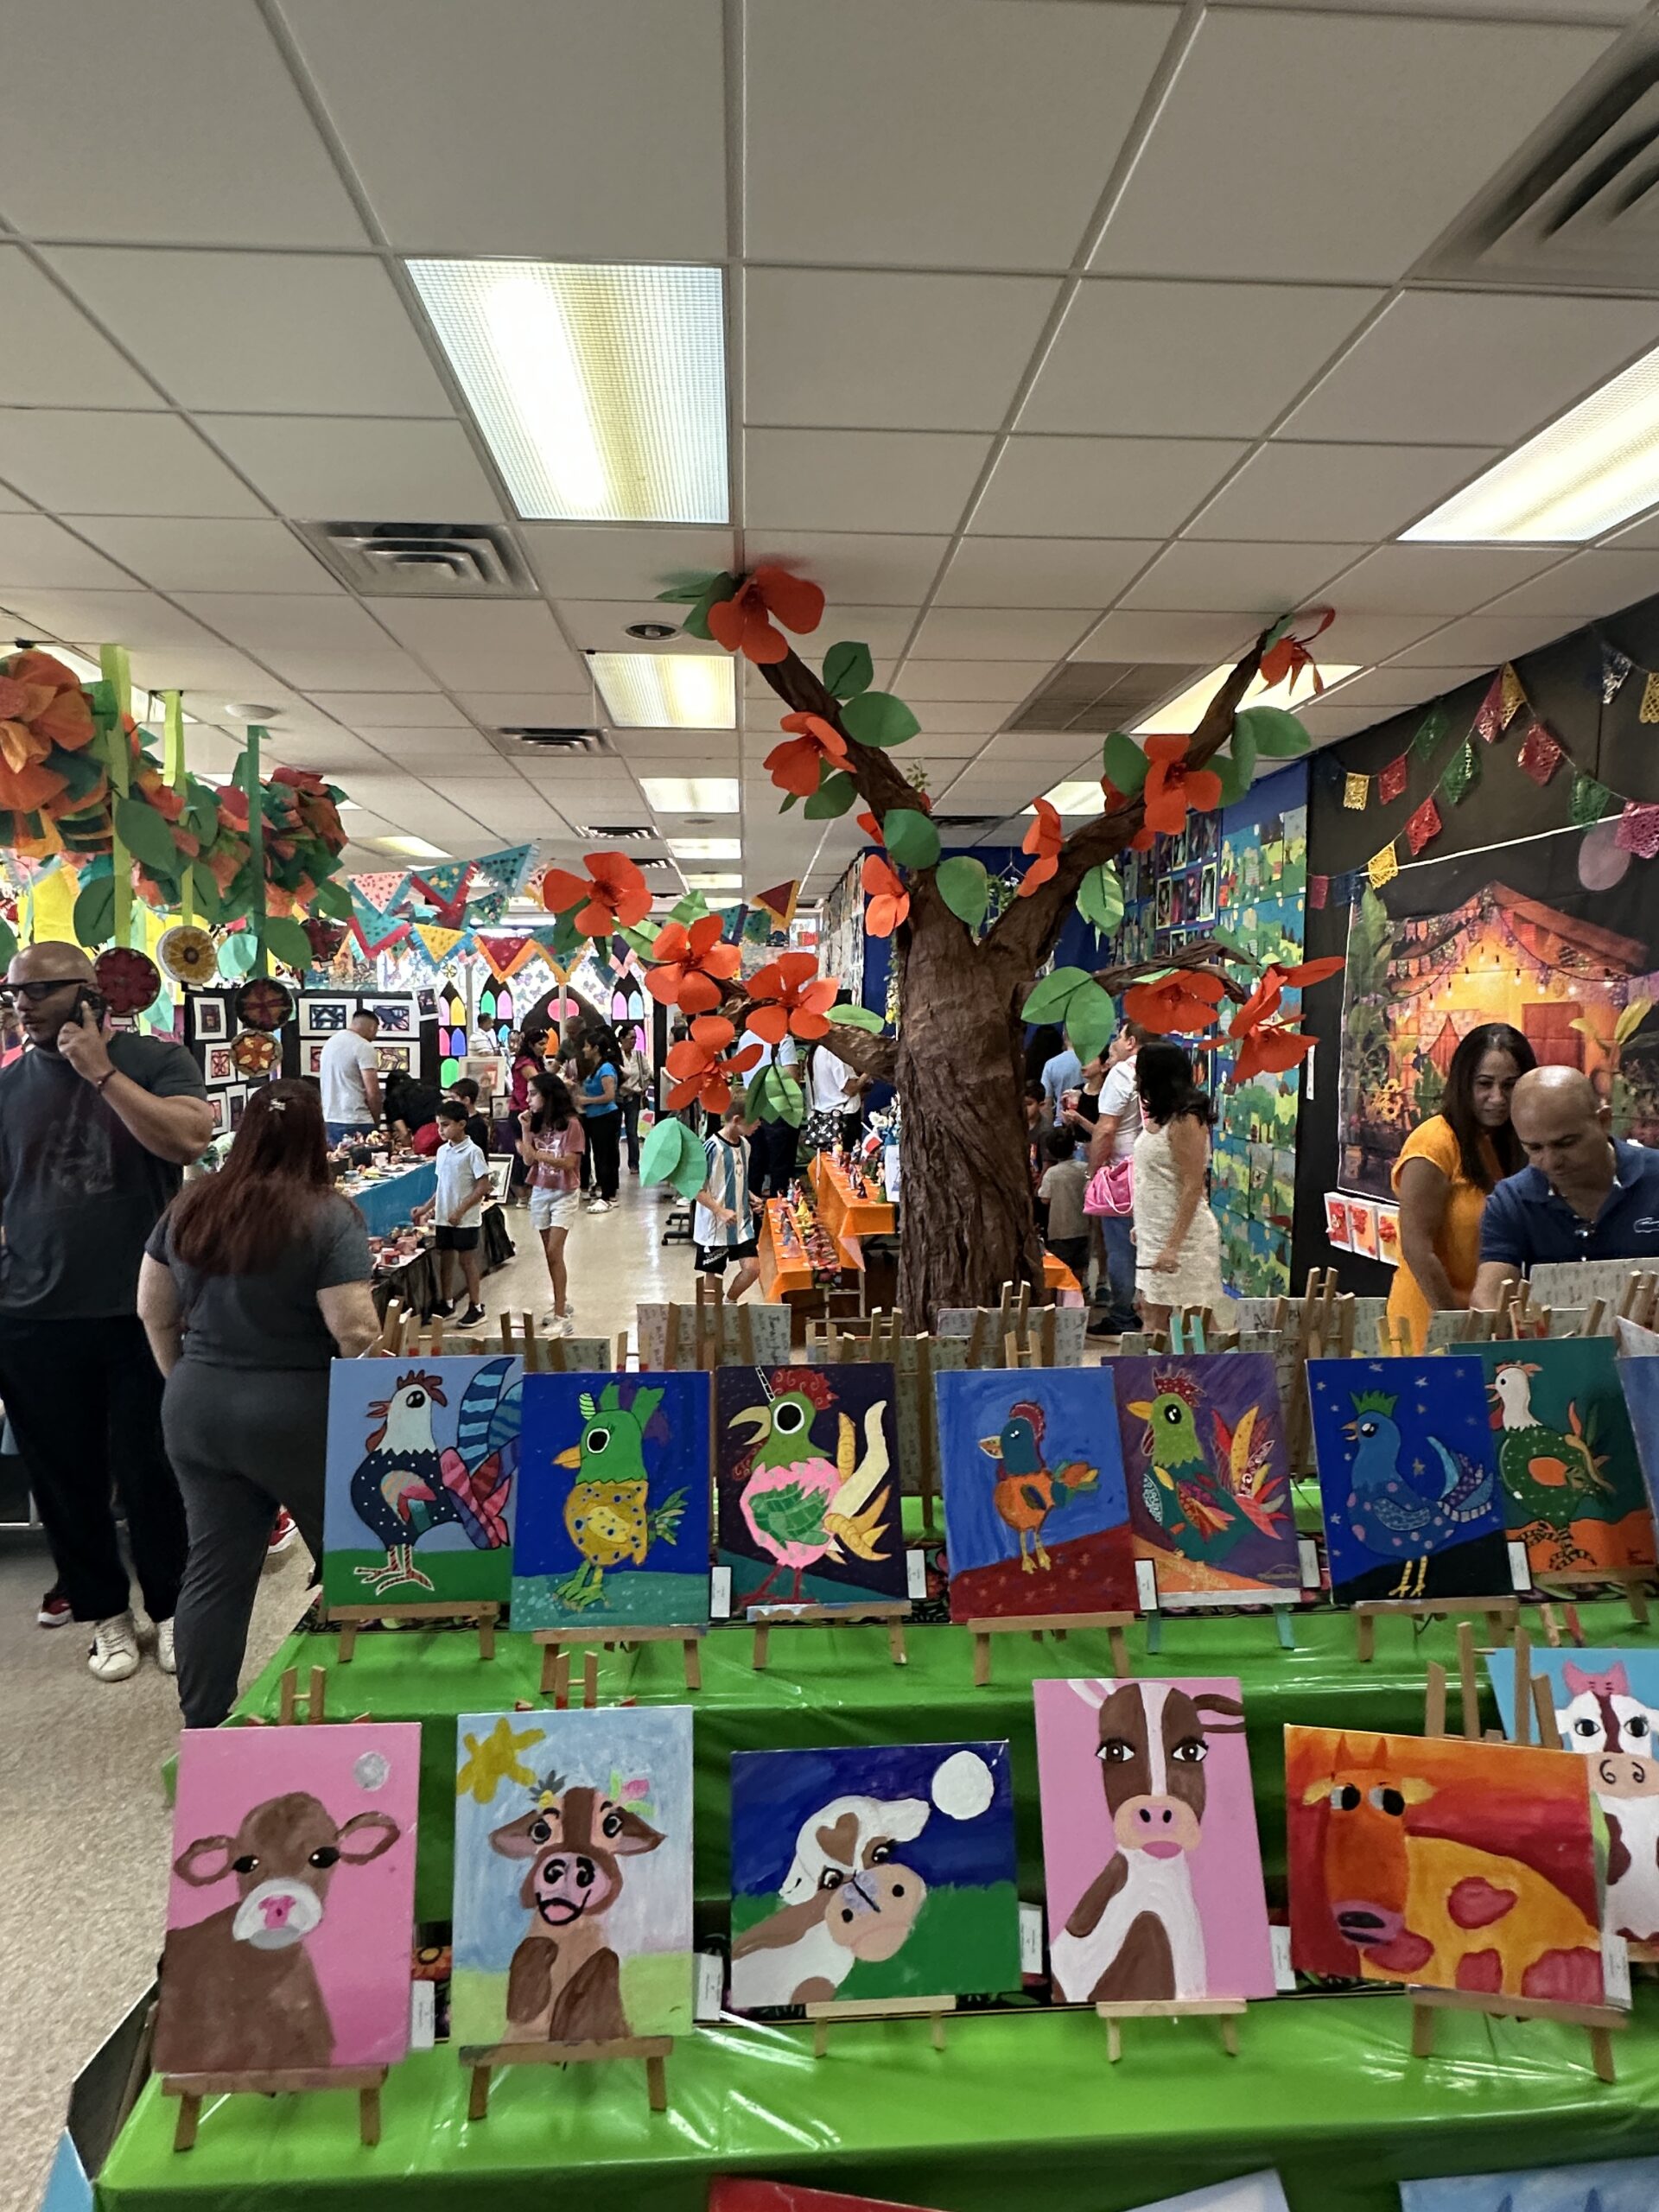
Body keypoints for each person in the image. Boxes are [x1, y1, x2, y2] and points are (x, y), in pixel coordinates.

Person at [135, 1082, 380, 1728]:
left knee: (214, 1569)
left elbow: (152, 1310)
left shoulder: (189, 1206)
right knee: (357, 1553)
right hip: (297, 1410)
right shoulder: (328, 1216)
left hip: (198, 1405)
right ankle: (369, 1705)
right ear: (316, 1139)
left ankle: (204, 1723)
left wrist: (184, 1380)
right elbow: (355, 1329)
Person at [0, 941, 213, 1681]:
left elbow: (188, 1138)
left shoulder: (155, 1062)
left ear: (90, 994)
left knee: (155, 1468)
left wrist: (102, 1074)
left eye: (39, 990)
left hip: (140, 1311)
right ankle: (105, 1616)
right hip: (32, 1315)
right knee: (65, 1478)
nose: (22, 1005)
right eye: (13, 993)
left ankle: (172, 1608)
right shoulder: (9, 1084)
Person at [1389, 1022, 1536, 1351]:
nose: (1497, 1098)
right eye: (1484, 1084)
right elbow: (1418, 1250)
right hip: (1433, 1321)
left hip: (1493, 1323)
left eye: (1510, 1085)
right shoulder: (1433, 1143)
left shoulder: (1519, 1142)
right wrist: (1455, 1325)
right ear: (1463, 1082)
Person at [1473, 1065, 1659, 1306]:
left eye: (1566, 1143)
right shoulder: (1512, 1201)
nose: (1551, 1162)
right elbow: (1488, 1297)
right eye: (1535, 1148)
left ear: (1604, 1121)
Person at [1131, 1039, 1224, 1336]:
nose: (1136, 1080)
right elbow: (1155, 1178)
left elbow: (1192, 1184)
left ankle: (1223, 1366)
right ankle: (1155, 1368)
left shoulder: (1186, 1121)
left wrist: (1173, 1245)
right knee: (1151, 1313)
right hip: (1155, 1231)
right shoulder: (1163, 1116)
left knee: (1198, 1320)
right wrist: (1142, 1224)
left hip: (1184, 1239)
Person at [1086, 1024, 1147, 1338]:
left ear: (1131, 1041)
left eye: (1120, 1037)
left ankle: (1123, 1313)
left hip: (1123, 1173)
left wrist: (1094, 1173)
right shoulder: (1164, 1068)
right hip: (1158, 1170)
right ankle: (1152, 1312)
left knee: (1121, 1246)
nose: (1116, 1043)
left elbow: (1107, 1128)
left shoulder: (1123, 1073)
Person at [518, 1071, 585, 1335]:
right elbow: (527, 1160)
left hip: (564, 1193)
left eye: (533, 1094)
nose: (528, 1099)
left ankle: (560, 1316)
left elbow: (570, 1163)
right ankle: (560, 1301)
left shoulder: (571, 1124)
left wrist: (537, 1154)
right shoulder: (536, 1123)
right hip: (541, 1190)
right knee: (549, 1253)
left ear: (548, 1096)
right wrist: (525, 1131)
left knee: (555, 1251)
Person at [414, 1101, 491, 1326]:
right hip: (444, 1217)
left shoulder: (473, 1152)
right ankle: (447, 1303)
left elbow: (483, 1186)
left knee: (467, 1261)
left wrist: (461, 1210)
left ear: (462, 1124)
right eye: (439, 1125)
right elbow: (442, 1186)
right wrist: (426, 1208)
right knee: (445, 1259)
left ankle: (476, 1306)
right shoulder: (442, 1151)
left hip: (464, 1219)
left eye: (446, 1125)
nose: (440, 1130)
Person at [694, 1098, 763, 1300]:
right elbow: (696, 1189)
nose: (759, 1123)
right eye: (754, 1119)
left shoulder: (746, 1146)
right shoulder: (711, 1148)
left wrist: (749, 1196)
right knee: (713, 1279)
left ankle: (729, 1302)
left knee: (752, 1269)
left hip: (741, 1222)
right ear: (737, 1120)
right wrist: (720, 1211)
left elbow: (736, 1179)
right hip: (715, 1227)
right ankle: (711, 1314)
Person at [319, 1010, 381, 1143]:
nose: (374, 1036)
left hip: (330, 1119)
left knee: (339, 1156)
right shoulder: (363, 1046)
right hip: (358, 1119)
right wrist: (376, 1122)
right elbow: (372, 1091)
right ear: (372, 1028)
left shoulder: (330, 1044)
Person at [575, 1033, 621, 1211]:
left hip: (606, 1117)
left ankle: (608, 1195)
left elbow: (609, 1096)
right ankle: (605, 1192)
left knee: (605, 1156)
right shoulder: (596, 1067)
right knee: (599, 1156)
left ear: (595, 1048)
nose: (584, 1049)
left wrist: (587, 1101)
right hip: (594, 1117)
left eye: (587, 1046)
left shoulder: (606, 1069)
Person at [1038, 1127, 1090, 1287]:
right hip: (1083, 1227)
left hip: (1060, 1230)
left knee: (1061, 1266)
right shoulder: (1084, 1169)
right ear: (1074, 1146)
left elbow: (1044, 1198)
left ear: (1050, 1151)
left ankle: (1063, 1294)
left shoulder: (1051, 1174)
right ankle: (1079, 1290)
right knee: (1079, 1266)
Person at [804, 1040, 863, 1157]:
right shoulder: (835, 1051)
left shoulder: (814, 1052)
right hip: (843, 1119)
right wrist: (870, 1071)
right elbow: (850, 1089)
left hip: (822, 1120)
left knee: (829, 1162)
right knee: (847, 1162)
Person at [617, 1033, 652, 1173]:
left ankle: (634, 1163)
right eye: (631, 1037)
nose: (633, 1041)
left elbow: (647, 1073)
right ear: (622, 1039)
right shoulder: (616, 1056)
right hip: (619, 1096)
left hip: (634, 1096)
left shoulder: (638, 1055)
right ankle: (614, 1163)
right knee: (615, 1132)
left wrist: (643, 1087)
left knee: (632, 1131)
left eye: (635, 1038)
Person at [447, 1076, 493, 1157]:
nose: (450, 1102)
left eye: (454, 1098)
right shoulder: (461, 1120)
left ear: (466, 1100)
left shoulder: (477, 1125)